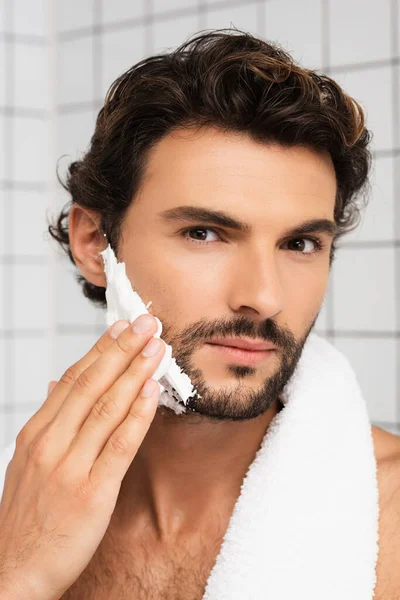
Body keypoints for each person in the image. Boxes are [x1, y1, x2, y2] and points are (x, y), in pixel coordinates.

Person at [0, 29, 399, 600]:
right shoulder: (22, 502)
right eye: (206, 233)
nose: (265, 297)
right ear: (94, 243)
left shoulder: (389, 515)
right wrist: (16, 578)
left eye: (300, 244)